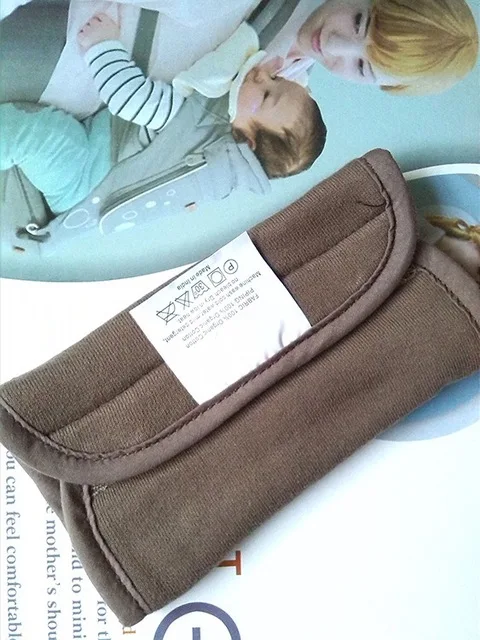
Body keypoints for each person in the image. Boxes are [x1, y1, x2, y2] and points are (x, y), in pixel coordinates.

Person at [0, 17, 326, 215]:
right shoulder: (220, 150)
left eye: (267, 95)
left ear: (248, 141)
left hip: (81, 178)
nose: (264, 76)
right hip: (92, 164)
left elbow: (130, 98)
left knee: (39, 137)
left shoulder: (195, 123)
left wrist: (102, 46)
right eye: (277, 79)